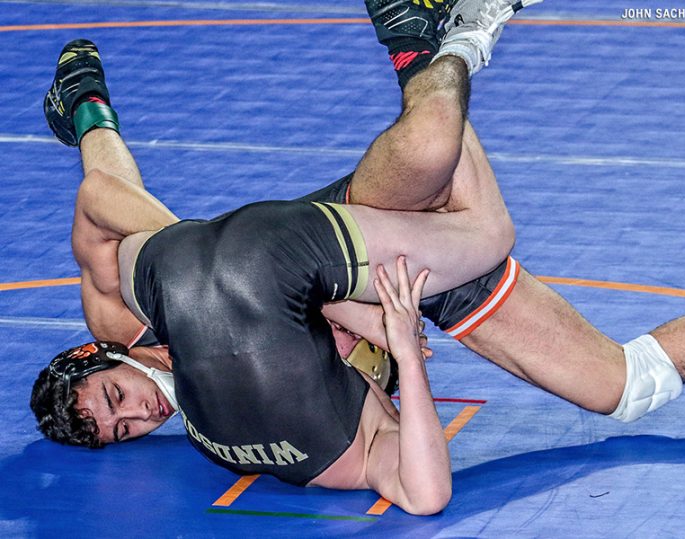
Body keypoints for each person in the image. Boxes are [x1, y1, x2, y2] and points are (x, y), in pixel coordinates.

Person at [31, 0, 537, 515]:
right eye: (125, 431)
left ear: (100, 356)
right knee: (440, 192)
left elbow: (99, 195)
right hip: (304, 262)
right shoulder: (238, 419)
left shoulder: (122, 326)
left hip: (281, 260)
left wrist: (193, 249)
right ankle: (82, 98)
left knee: (487, 233)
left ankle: (443, 41)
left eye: (118, 397)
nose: (143, 414)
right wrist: (399, 351)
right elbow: (422, 489)